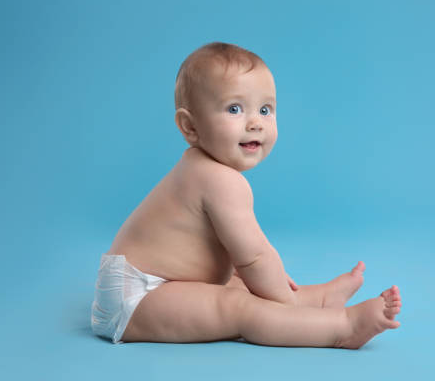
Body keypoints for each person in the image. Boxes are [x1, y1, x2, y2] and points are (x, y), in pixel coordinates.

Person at [91, 41, 402, 348]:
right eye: (235, 109)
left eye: (265, 109)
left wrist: (277, 283)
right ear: (190, 126)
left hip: (151, 285)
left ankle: (319, 299)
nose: (255, 123)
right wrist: (285, 304)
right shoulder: (219, 179)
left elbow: (238, 255)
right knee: (239, 307)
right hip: (137, 297)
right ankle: (340, 327)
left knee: (242, 284)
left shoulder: (202, 170)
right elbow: (254, 257)